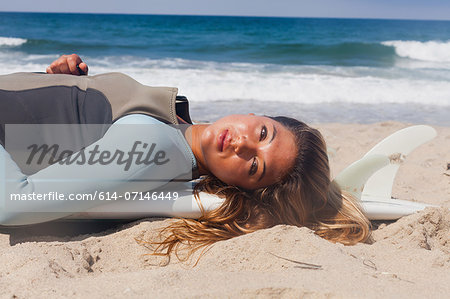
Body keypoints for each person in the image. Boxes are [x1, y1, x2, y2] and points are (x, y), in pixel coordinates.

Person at [1, 54, 371, 264]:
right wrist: (64, 87)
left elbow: (14, 204)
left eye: (254, 166)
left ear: (239, 186)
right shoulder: (177, 126)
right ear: (260, 114)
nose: (243, 144)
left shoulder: (156, 147)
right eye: (263, 132)